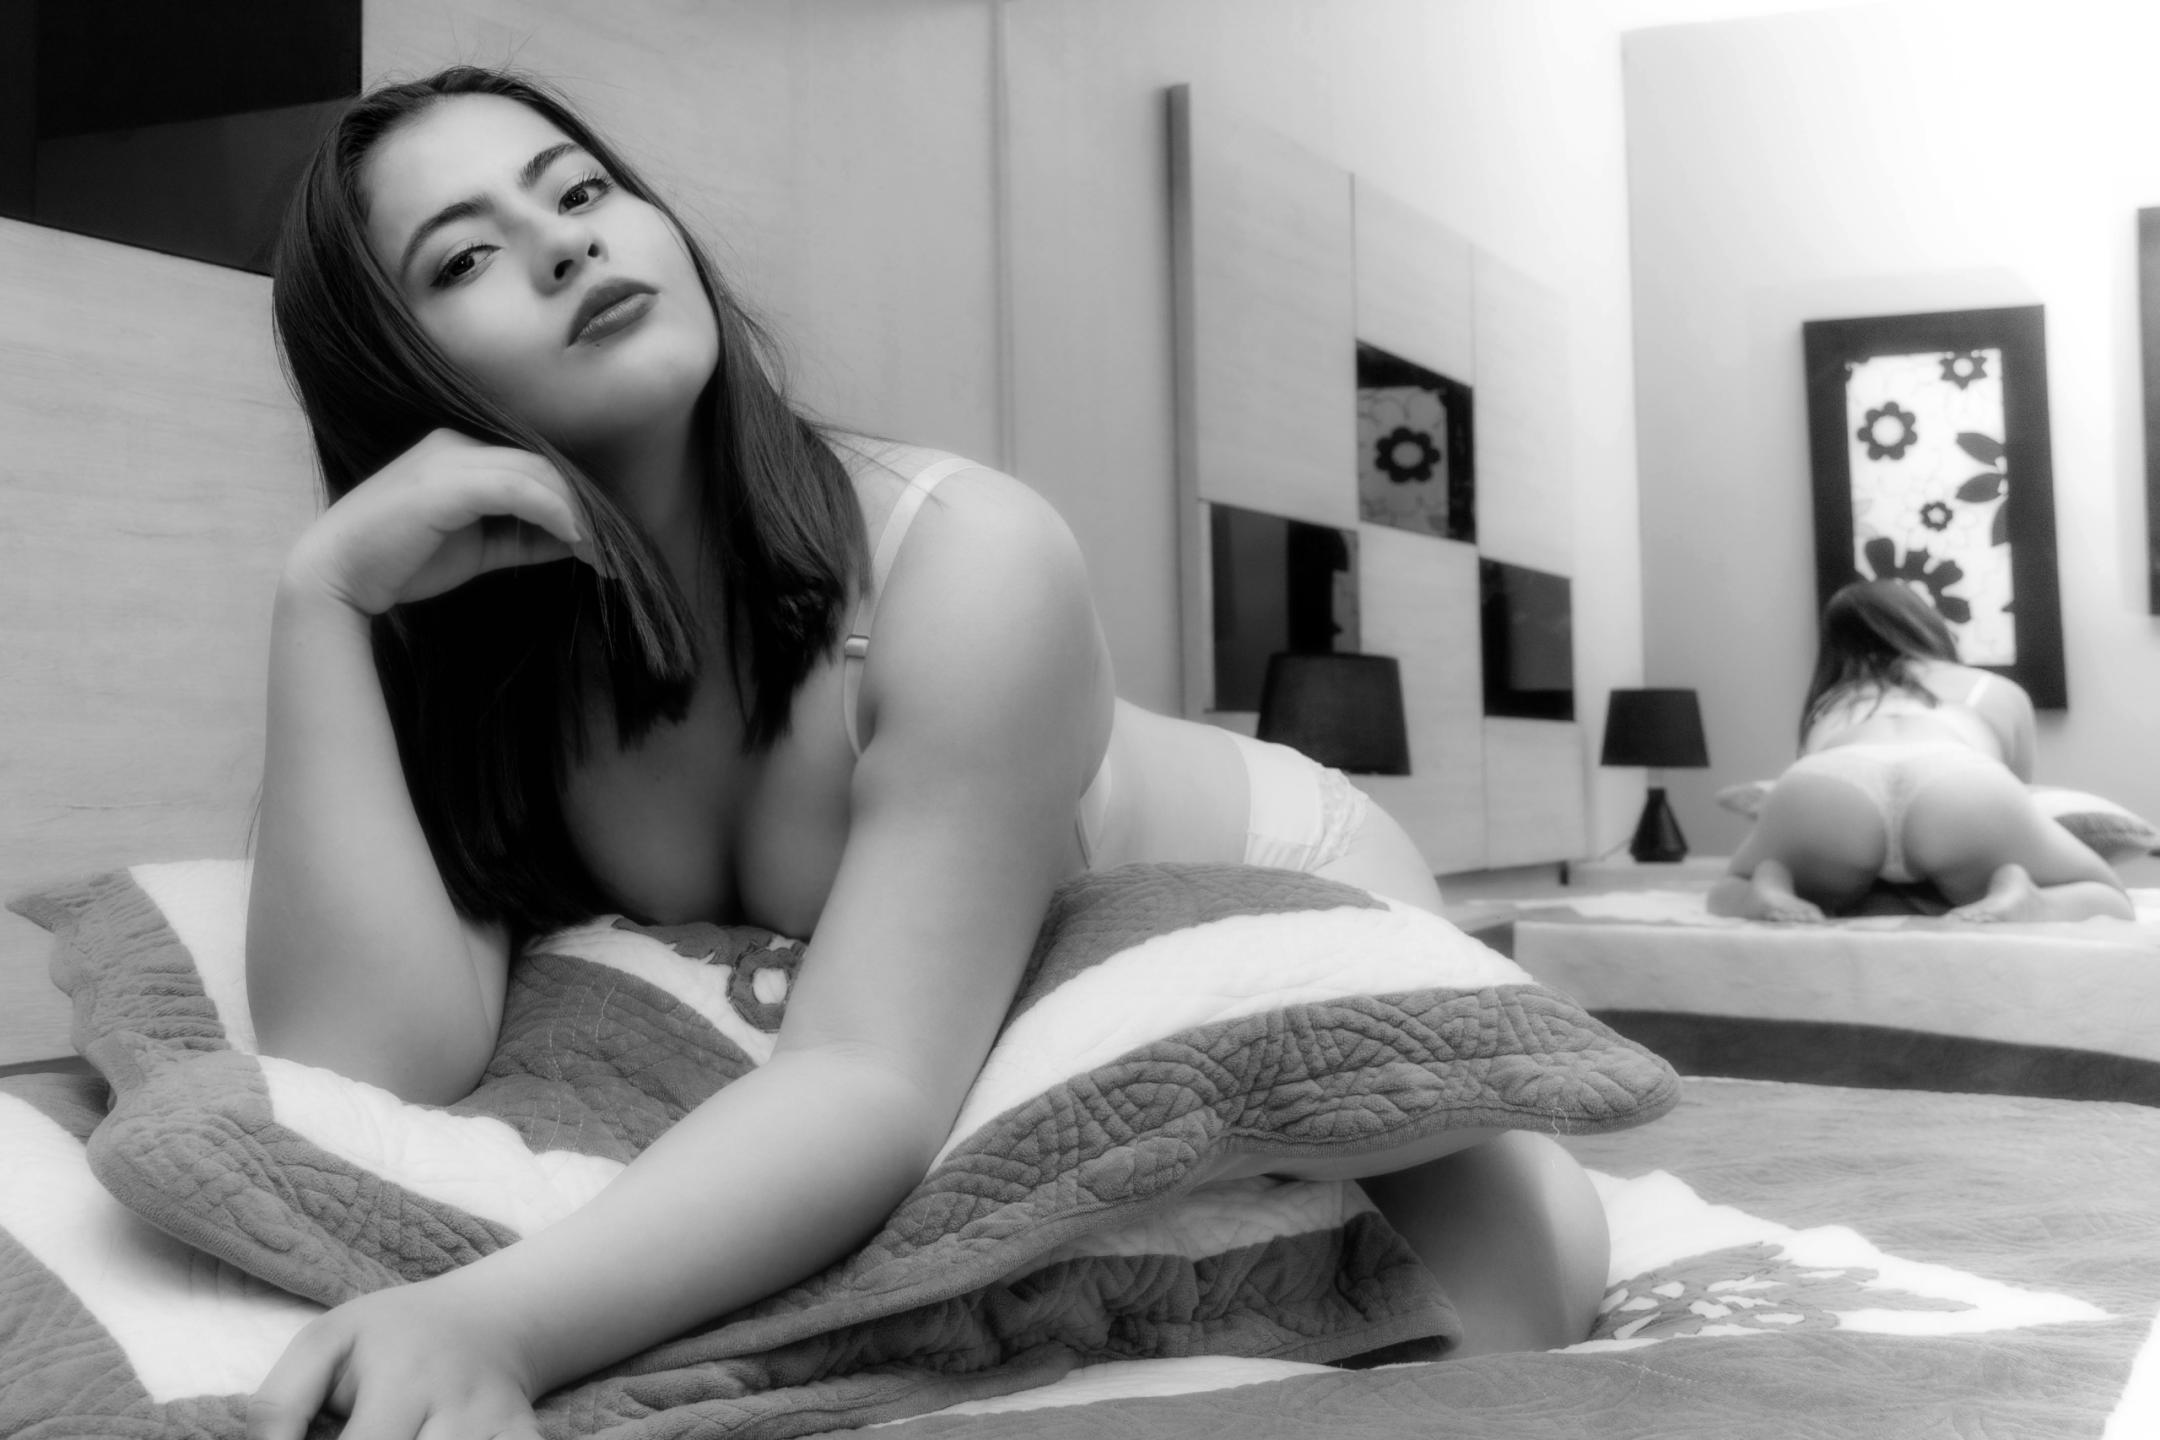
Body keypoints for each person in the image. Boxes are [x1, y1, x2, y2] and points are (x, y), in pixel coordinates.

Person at [243, 66, 1610, 1440]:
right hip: (931, 1026)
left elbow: (869, 1078)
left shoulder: (968, 558)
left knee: (1515, 1320)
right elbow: (365, 1063)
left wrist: (497, 1323)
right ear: (391, 377)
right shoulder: (486, 666)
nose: (564, 244)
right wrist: (324, 603)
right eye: (465, 257)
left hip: (1292, 887)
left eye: (581, 190)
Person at [1709, 579, 2130, 925]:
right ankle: (2030, 899)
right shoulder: (1995, 689)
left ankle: (1767, 885)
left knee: (1728, 888)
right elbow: (2022, 792)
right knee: (2106, 895)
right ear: (1926, 625)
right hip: (1958, 782)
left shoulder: (1829, 701)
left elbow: (1796, 793)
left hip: (1831, 783)